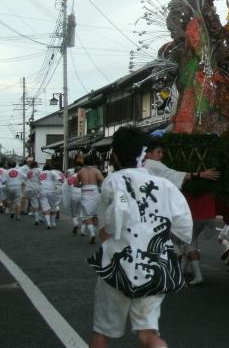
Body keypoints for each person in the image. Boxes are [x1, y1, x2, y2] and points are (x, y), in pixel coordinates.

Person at [87, 125, 192, 348]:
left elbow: (118, 210)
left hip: (117, 265)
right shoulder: (165, 186)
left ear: (115, 154)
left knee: (102, 333)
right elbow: (184, 226)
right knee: (148, 334)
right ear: (144, 155)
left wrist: (107, 231)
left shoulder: (114, 181)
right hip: (155, 266)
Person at [144, 139, 220, 286]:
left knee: (183, 242)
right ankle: (182, 272)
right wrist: (201, 174)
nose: (161, 155)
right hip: (161, 209)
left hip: (163, 208)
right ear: (148, 154)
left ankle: (180, 273)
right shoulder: (151, 165)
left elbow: (173, 174)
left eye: (162, 153)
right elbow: (175, 174)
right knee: (184, 242)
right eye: (158, 152)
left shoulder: (148, 166)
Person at [76, 153, 106, 244]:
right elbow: (103, 181)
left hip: (85, 191)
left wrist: (82, 184)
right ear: (93, 162)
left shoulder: (80, 171)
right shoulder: (96, 171)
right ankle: (94, 231)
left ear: (84, 162)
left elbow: (76, 184)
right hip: (94, 190)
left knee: (87, 214)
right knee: (95, 213)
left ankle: (92, 233)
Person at [39, 163, 64, 230]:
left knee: (46, 208)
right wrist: (61, 183)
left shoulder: (41, 173)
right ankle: (53, 223)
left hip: (42, 191)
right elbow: (59, 178)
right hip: (51, 190)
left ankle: (48, 223)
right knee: (53, 206)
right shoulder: (52, 172)